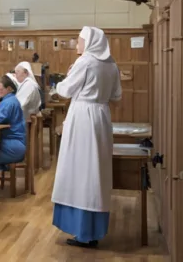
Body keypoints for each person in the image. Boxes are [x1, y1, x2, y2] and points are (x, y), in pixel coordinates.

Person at [52, 26, 121, 248]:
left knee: (78, 170)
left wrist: (66, 77)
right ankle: (92, 229)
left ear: (89, 42)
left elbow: (65, 90)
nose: (77, 43)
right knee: (95, 171)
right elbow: (116, 95)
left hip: (82, 117)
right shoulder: (111, 64)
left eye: (79, 40)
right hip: (101, 116)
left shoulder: (86, 62)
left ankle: (82, 230)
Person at [0, 75, 26, 166]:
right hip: (14, 143)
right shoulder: (10, 99)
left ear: (9, 89)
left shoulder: (9, 102)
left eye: (0, 88)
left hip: (13, 147)